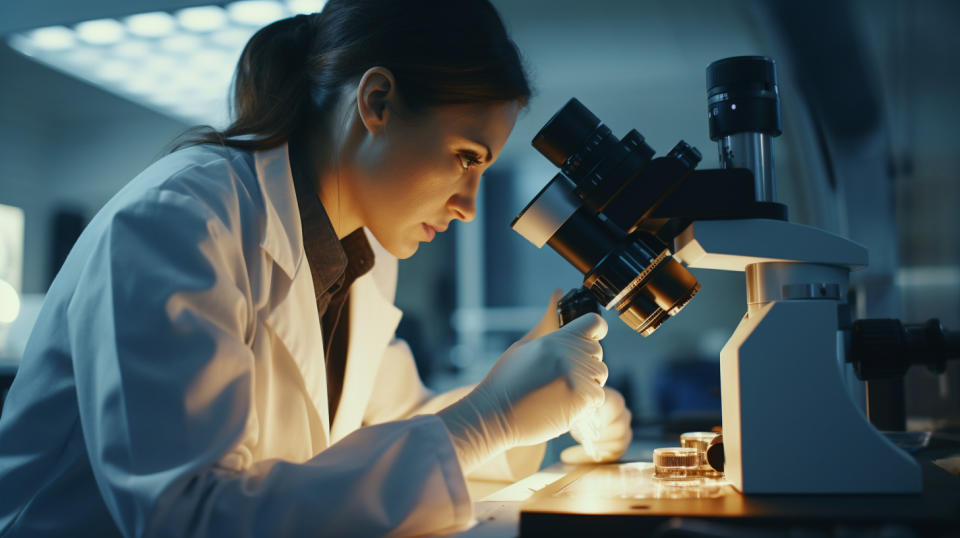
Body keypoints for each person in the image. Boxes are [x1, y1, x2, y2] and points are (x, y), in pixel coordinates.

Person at [0, 1, 632, 535]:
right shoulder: (181, 222)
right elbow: (188, 516)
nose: (468, 206)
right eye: (466, 157)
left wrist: (535, 413)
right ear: (377, 101)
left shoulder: (358, 255)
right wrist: (486, 416)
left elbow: (385, 435)